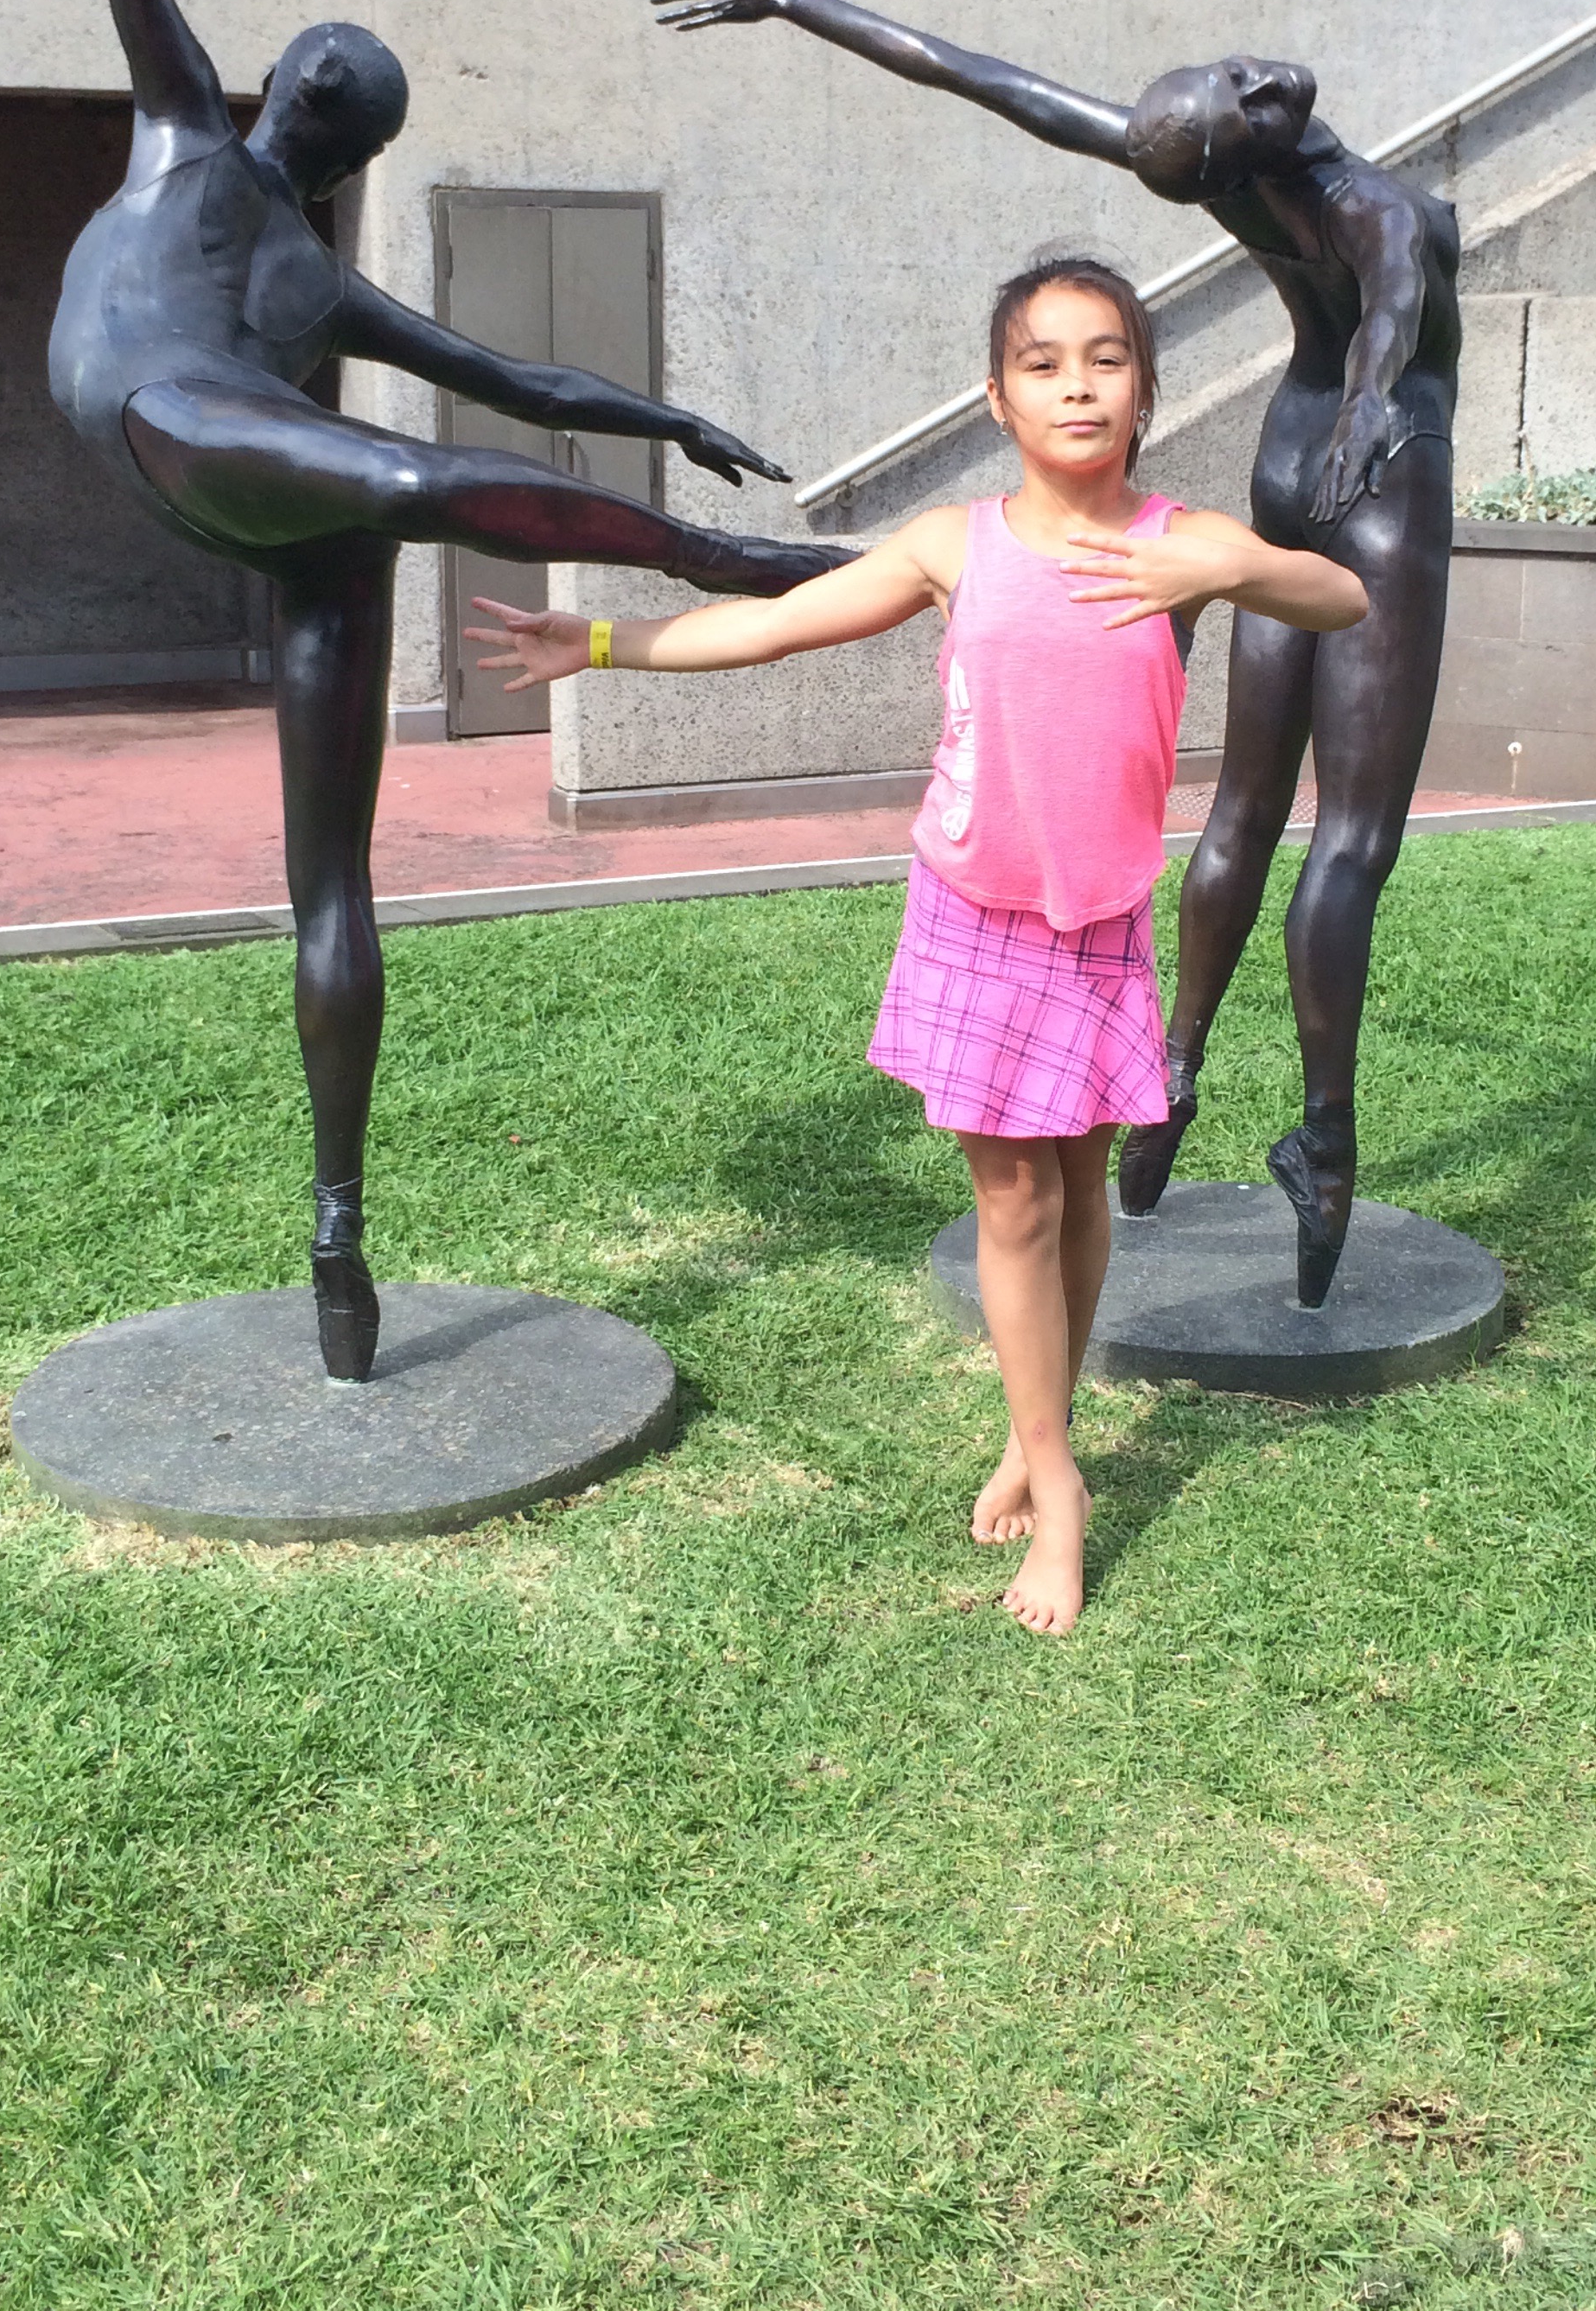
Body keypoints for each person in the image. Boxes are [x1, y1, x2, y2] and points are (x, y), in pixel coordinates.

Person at [22, 0, 845, 1382]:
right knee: (399, 484)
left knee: (341, 843)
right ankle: (718, 566)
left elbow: (529, 379)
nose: (316, 81)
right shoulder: (191, 143)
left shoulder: (292, 253)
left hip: (234, 458)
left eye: (329, 80)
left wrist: (670, 412)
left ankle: (339, 1222)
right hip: (179, 419)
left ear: (322, 117)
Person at [469, 263, 1364, 1635]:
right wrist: (598, 639)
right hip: (974, 915)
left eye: (1107, 358)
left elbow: (1340, 596)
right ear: (999, 398)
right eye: (1044, 363)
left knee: (1077, 1186)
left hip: (1099, 918)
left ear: (1142, 389)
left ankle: (1032, 1427)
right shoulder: (957, 544)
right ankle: (1058, 1484)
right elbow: (775, 625)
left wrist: (1231, 565)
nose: (1077, 385)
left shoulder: (1179, 542)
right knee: (1015, 1203)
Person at [652, 0, 1461, 1306]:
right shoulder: (1362, 202)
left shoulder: (1249, 182)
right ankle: (1320, 1141)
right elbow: (1390, 313)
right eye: (1248, 91)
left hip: (1288, 458)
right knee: (1347, 841)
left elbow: (994, 86)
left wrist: (792, 2)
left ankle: (1176, 1073)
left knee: (1244, 809)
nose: (1271, 77)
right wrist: (1376, 403)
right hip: (1380, 479)